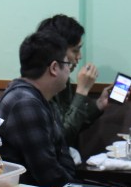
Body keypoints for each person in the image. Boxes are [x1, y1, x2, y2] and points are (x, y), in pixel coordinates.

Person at [0, 30, 76, 187]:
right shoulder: (25, 103)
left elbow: (61, 154)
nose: (69, 71)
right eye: (68, 64)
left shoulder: (38, 97)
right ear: (54, 68)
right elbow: (49, 176)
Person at [36, 15, 110, 148]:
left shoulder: (62, 81)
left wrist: (99, 105)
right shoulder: (38, 88)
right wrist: (82, 91)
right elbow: (62, 138)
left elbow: (73, 124)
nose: (79, 57)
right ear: (56, 52)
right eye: (75, 50)